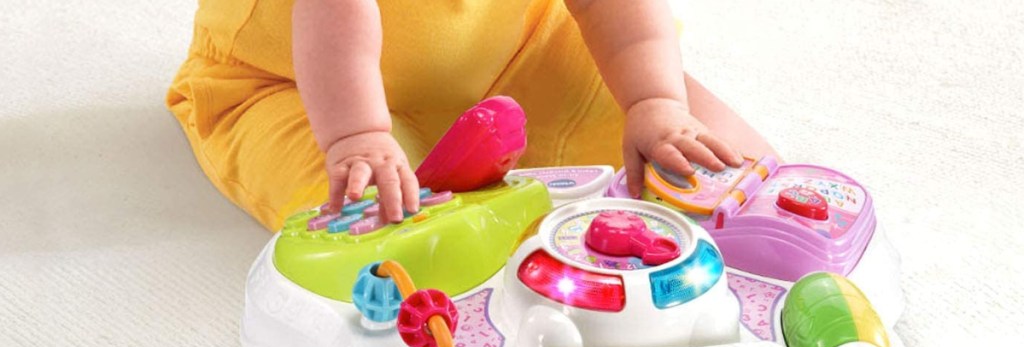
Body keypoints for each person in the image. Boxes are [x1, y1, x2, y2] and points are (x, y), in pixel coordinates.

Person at [168, 0, 776, 230]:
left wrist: (656, 105)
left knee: (715, 157)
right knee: (368, 215)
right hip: (298, 81)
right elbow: (336, 18)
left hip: (510, 46)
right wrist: (358, 137)